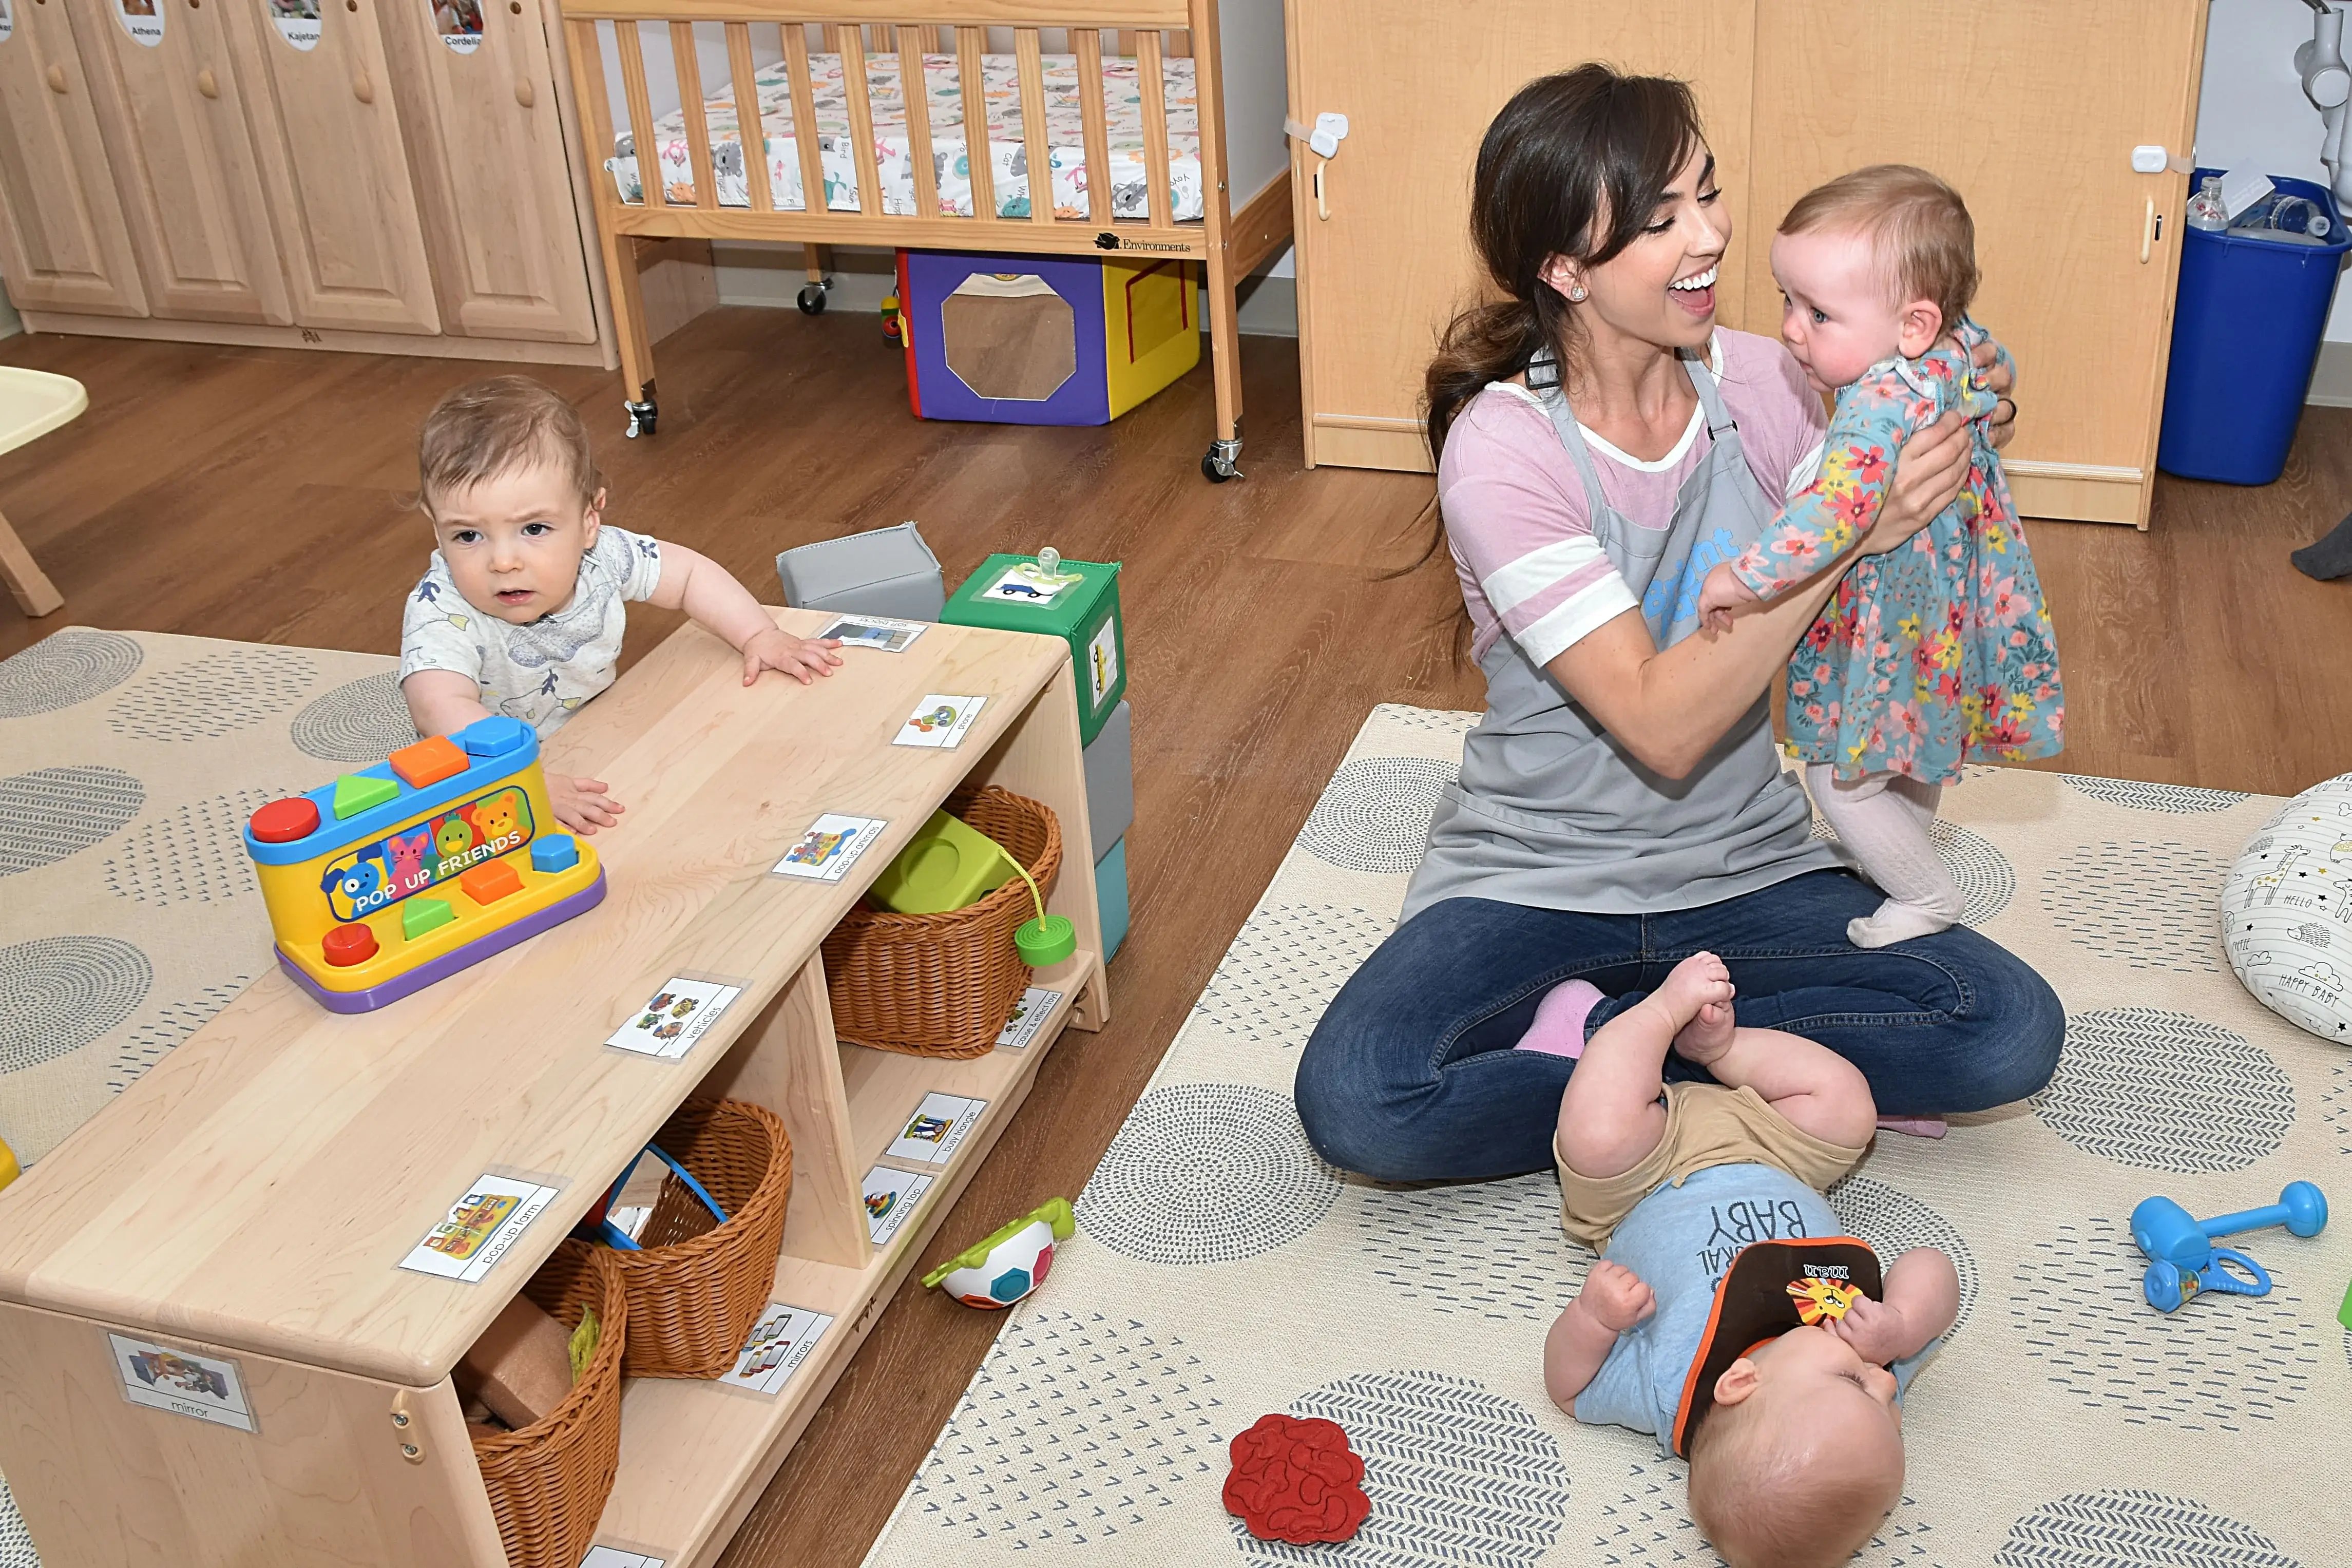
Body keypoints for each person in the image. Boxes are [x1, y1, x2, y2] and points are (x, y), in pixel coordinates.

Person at [1293, 66, 2063, 1184]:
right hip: (1534, 877)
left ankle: (1628, 1048)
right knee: (1366, 1102)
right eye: (1660, 221)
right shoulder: (1505, 450)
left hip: (1744, 866)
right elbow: (1658, 725)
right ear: (1565, 270)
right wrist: (1853, 534)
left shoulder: (1765, 383)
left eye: (1707, 193)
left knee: (2003, 1029)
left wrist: (1976, 383)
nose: (1708, 237)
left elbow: (1927, 373)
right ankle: (1728, 1060)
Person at [1695, 166, 2062, 947]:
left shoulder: (1869, 407)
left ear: (1912, 324)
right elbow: (2001, 371)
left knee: (1839, 773)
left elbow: (1834, 515)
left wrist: (1745, 576)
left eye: (1819, 313)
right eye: (1786, 300)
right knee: (1912, 752)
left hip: (1893, 616)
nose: (1793, 328)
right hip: (1956, 604)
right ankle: (1897, 857)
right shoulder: (1959, 343)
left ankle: (1924, 891)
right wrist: (1997, 399)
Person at [1543, 950, 1958, 1568]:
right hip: (1778, 1151)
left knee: (1596, 1133)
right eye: (1889, 1409)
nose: (1883, 1383)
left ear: (1738, 1384)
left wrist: (1594, 1318)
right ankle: (1721, 1051)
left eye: (1857, 1385)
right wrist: (1904, 1322)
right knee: (1848, 1107)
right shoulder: (1873, 1353)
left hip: (1644, 1179)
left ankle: (1654, 1016)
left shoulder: (1669, 1389)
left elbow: (1568, 1391)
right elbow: (1933, 1267)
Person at [399, 376, 840, 834]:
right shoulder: (442, 607)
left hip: (594, 732)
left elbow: (688, 575)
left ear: (589, 521)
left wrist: (759, 634)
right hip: (488, 776)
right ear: (437, 530)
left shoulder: (602, 556)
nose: (504, 562)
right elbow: (437, 707)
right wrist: (522, 780)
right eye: (468, 536)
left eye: (533, 529)